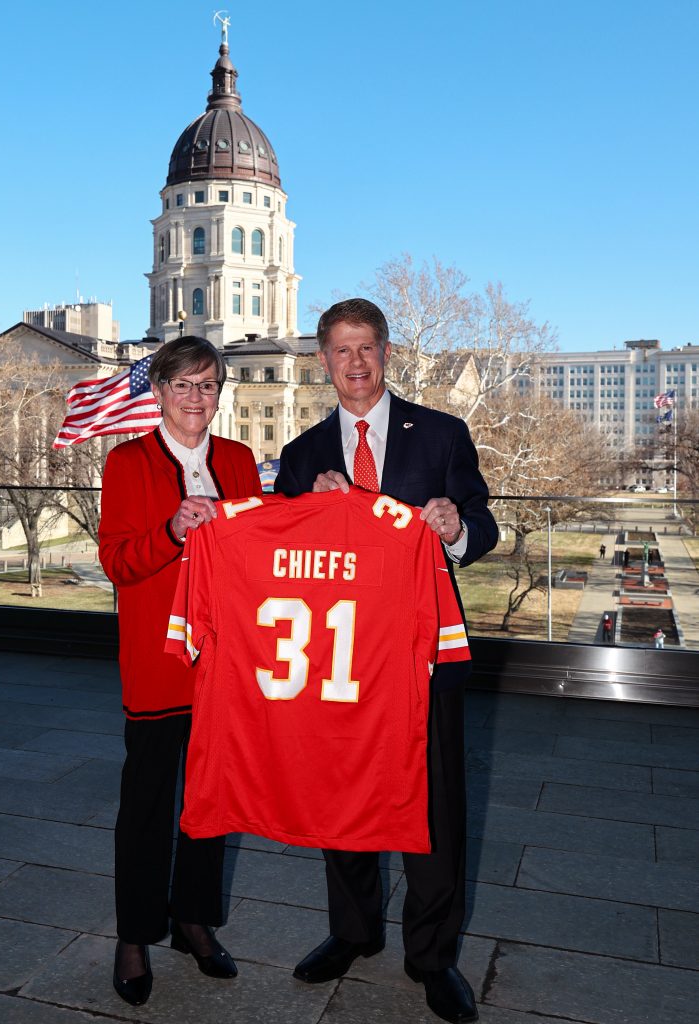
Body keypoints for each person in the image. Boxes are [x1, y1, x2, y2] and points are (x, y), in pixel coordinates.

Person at [274, 298, 498, 1024]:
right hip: (338, 661)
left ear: (386, 351)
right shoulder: (304, 452)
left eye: (366, 347)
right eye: (340, 351)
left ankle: (431, 957)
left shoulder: (439, 433)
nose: (355, 363)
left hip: (424, 655)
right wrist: (305, 509)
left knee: (432, 804)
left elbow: (484, 524)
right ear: (323, 363)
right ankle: (352, 931)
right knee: (343, 797)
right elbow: (279, 557)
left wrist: (456, 525)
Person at [99, 336, 262, 1007]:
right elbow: (118, 562)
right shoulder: (128, 461)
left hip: (223, 663)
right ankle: (134, 935)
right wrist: (170, 531)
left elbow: (262, 550)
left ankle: (193, 919)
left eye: (208, 386)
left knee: (210, 801)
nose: (197, 399)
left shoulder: (239, 460)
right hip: (158, 664)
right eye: (184, 386)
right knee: (145, 807)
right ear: (160, 392)